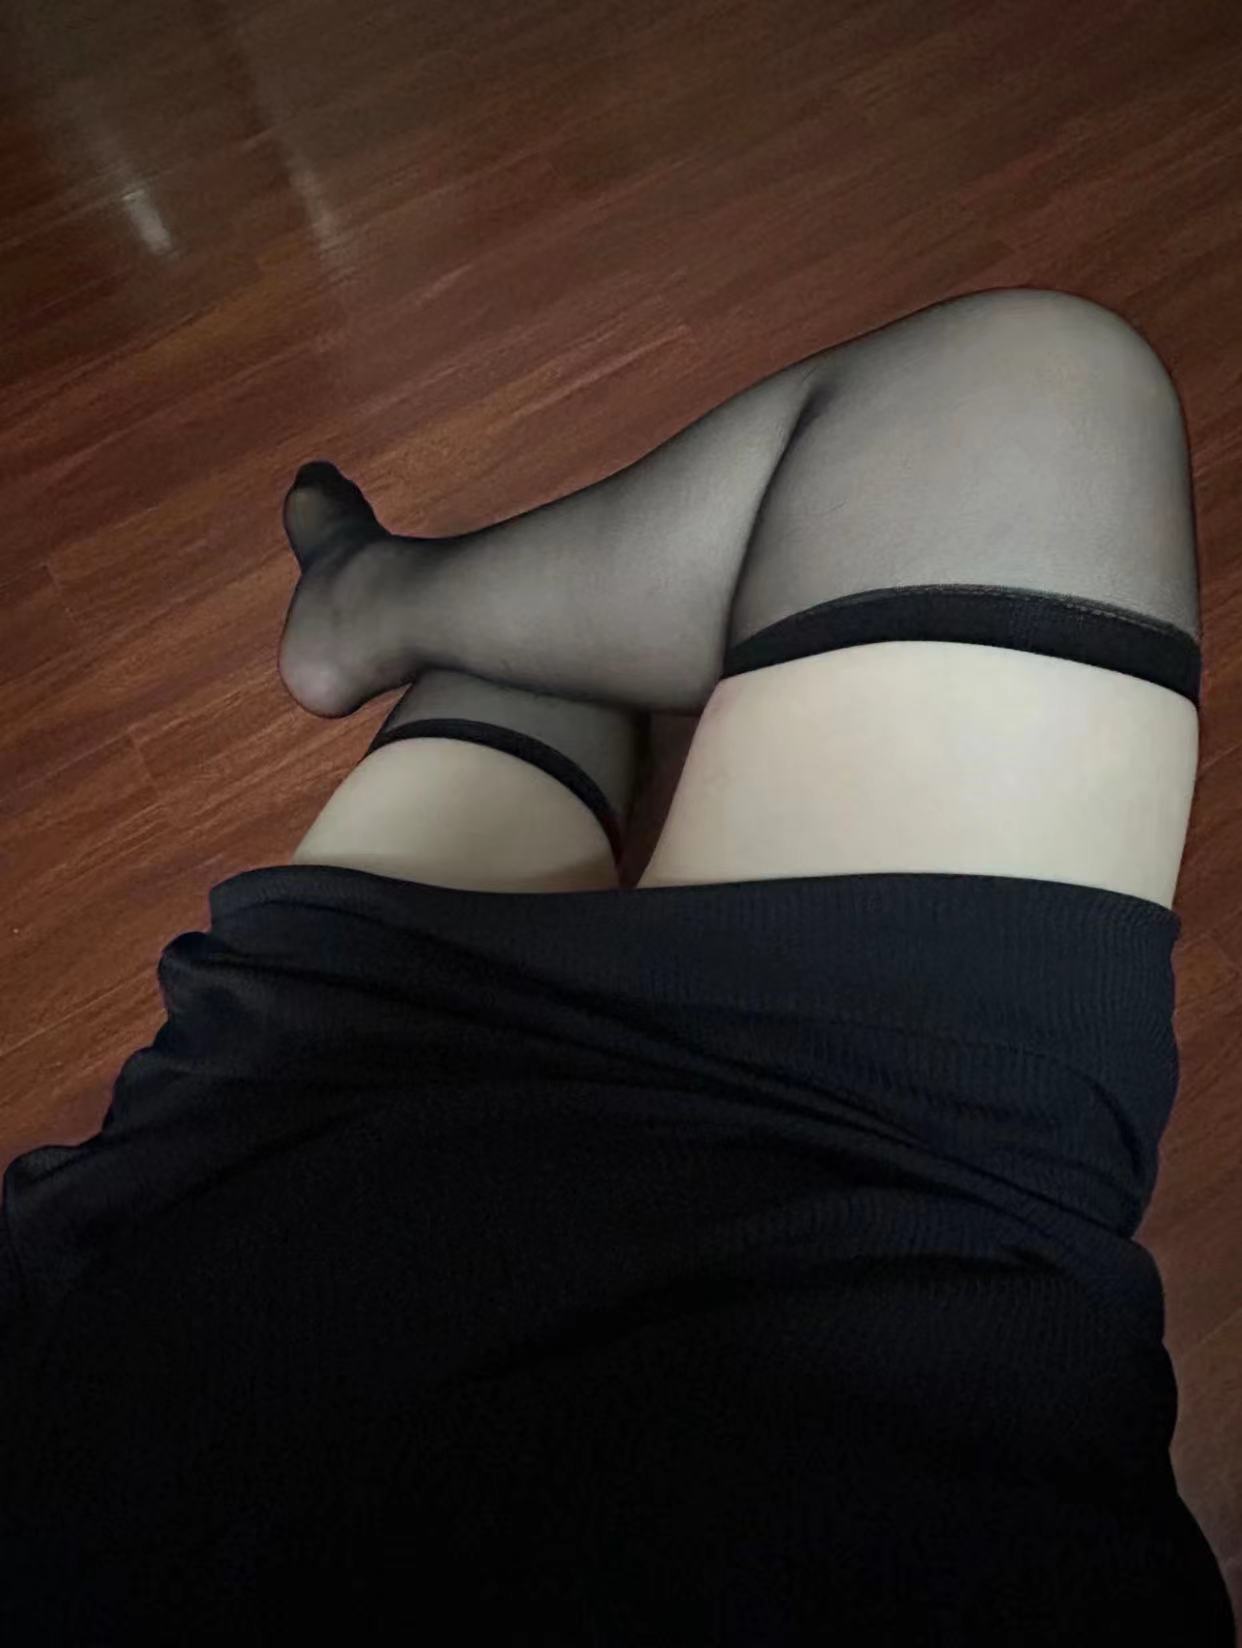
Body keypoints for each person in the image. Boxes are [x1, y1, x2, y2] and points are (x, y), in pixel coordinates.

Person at [0, 290, 1233, 1644]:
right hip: (882, 1240)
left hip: (281, 1242)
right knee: (1020, 398)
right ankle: (389, 603)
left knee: (544, 671)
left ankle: (379, 603)